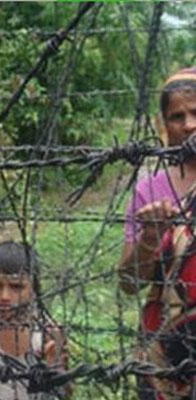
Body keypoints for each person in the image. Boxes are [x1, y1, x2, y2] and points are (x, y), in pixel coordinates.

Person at [117, 68, 196, 399]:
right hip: (164, 344)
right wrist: (151, 236)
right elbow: (129, 283)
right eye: (177, 116)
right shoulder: (151, 189)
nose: (189, 124)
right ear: (164, 124)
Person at [0, 241, 68, 399]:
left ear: (34, 287)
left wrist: (54, 368)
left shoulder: (46, 334)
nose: (4, 296)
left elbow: (65, 392)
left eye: (16, 287)